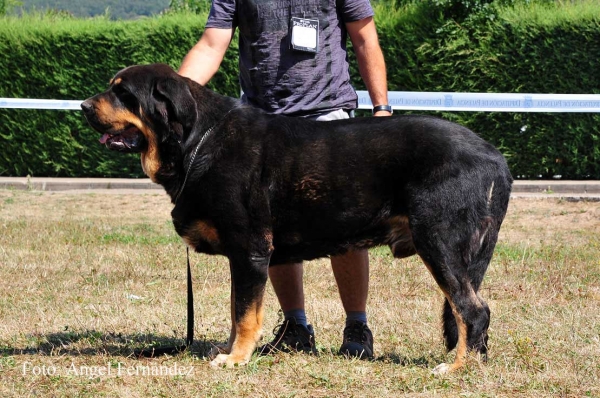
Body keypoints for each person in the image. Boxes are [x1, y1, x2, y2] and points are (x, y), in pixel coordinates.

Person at [178, 0, 392, 360]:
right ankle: (296, 326)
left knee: (350, 224)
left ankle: (357, 325)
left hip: (329, 117)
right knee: (266, 226)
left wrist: (382, 109)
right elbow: (212, 44)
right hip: (260, 122)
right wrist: (175, 96)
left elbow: (365, 38)